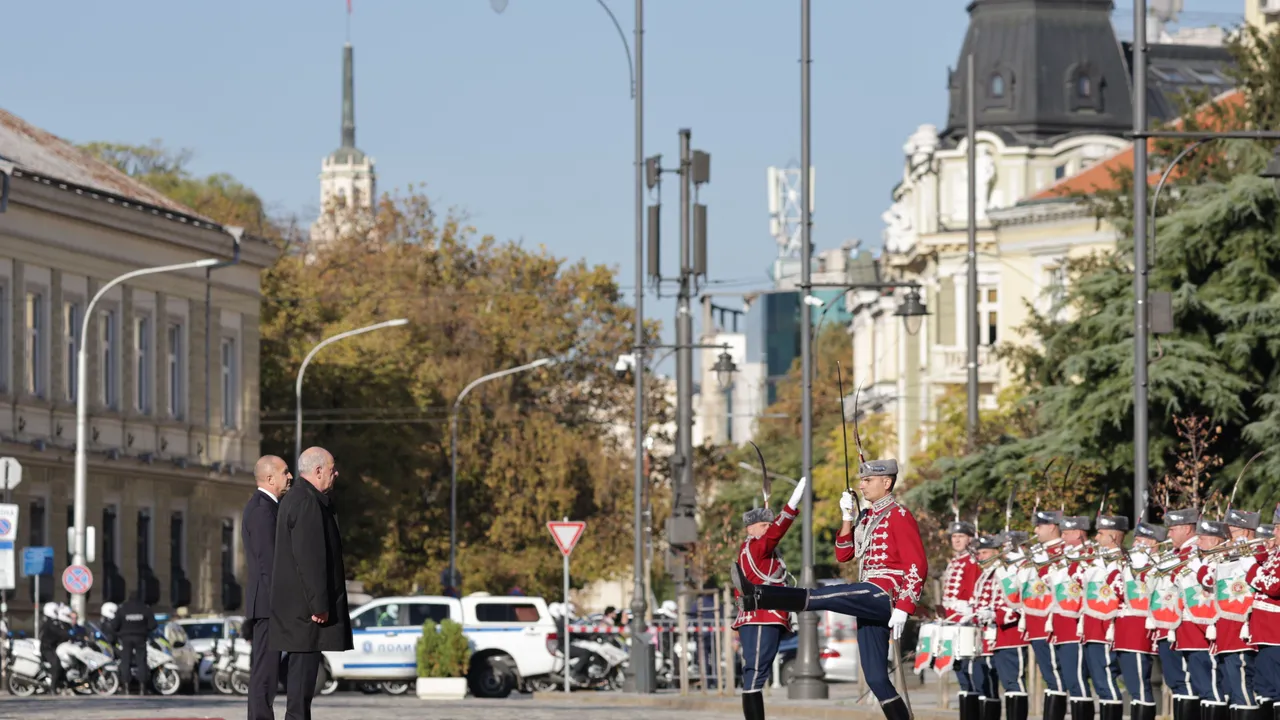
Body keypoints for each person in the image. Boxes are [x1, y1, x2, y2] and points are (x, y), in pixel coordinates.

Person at [732, 459, 926, 720]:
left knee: (828, 596)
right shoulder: (868, 516)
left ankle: (759, 596)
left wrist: (904, 606)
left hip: (884, 593)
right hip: (868, 599)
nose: (862, 485)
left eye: (868, 481)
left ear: (887, 482)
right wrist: (847, 518)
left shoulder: (899, 515)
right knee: (876, 678)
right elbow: (844, 554)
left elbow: (918, 563)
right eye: (862, 480)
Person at [270, 446, 354, 720]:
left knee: (301, 684)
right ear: (318, 471)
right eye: (332, 469)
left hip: (299, 612)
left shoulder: (297, 499)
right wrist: (319, 604)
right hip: (307, 614)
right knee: (301, 687)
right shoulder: (307, 502)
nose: (335, 474)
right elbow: (310, 558)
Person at [732, 475, 806, 720]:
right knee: (756, 673)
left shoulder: (752, 549)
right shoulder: (756, 547)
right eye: (764, 526)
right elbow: (777, 532)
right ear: (751, 528)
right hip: (763, 616)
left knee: (755, 672)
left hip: (757, 616)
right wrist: (792, 504)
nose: (768, 530)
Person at [1197, 509, 1262, 718]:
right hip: (1225, 629)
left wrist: (1242, 552)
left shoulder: (1258, 551)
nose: (1228, 537)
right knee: (1232, 689)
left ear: (1244, 530)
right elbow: (1206, 580)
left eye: (1232, 531)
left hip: (1243, 629)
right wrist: (1212, 560)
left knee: (1244, 686)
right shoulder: (1226, 554)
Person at [244, 454, 291, 720]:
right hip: (268, 604)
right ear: (270, 478)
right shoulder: (262, 510)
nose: (290, 476)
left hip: (267, 603)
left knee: (268, 671)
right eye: (285, 472)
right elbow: (270, 563)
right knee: (265, 672)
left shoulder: (267, 506)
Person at [1113, 522, 1165, 720]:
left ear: (1152, 542)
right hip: (1126, 632)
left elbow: (1131, 593)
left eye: (1140, 539)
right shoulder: (1135, 564)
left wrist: (1114, 573)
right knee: (1133, 688)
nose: (1135, 543)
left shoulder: (1155, 565)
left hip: (1138, 632)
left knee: (1140, 687)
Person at [1046, 515, 1092, 720]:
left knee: (1077, 681)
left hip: (1075, 625)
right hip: (1061, 626)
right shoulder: (1065, 556)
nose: (1061, 537)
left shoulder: (1088, 555)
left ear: (1079, 533)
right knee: (1067, 679)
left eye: (1066, 533)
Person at [1025, 510, 1067, 720]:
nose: (1035, 530)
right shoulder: (1036, 552)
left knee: (1055, 676)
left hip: (1049, 622)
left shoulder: (1062, 551)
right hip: (1035, 621)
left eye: (1039, 526)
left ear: (1052, 527)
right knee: (1049, 677)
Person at [941, 519, 981, 720]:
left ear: (970, 539)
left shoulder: (972, 562)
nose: (956, 541)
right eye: (954, 537)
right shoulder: (955, 562)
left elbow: (974, 592)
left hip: (965, 622)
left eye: (960, 537)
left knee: (969, 670)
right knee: (959, 670)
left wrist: (964, 610)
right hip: (951, 622)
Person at [1247, 507, 1280, 720]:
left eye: (1278, 528)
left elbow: (1274, 585)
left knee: (1277, 690)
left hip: (1275, 633)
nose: (1274, 533)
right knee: (1264, 690)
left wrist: (1251, 568)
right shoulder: (1274, 554)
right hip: (1264, 633)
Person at [969, 534, 1005, 720]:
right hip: (982, 637)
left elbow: (1002, 601)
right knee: (982, 684)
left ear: (996, 552)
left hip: (995, 636)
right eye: (979, 553)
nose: (981, 556)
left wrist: (989, 613)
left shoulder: (1000, 572)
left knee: (992, 683)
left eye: (985, 552)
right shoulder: (984, 575)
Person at [109, 589, 157, 695]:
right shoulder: (145, 609)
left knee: (125, 661)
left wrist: (119, 633)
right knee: (141, 662)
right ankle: (142, 688)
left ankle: (126, 687)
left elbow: (114, 625)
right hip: (140, 637)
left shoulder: (122, 609)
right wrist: (145, 630)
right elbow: (153, 625)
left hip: (125, 638)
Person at [39, 602, 69, 695]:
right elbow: (59, 633)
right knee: (56, 665)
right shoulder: (51, 622)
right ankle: (52, 688)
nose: (57, 612)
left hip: (52, 647)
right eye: (55, 611)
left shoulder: (51, 621)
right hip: (47, 648)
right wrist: (67, 635)